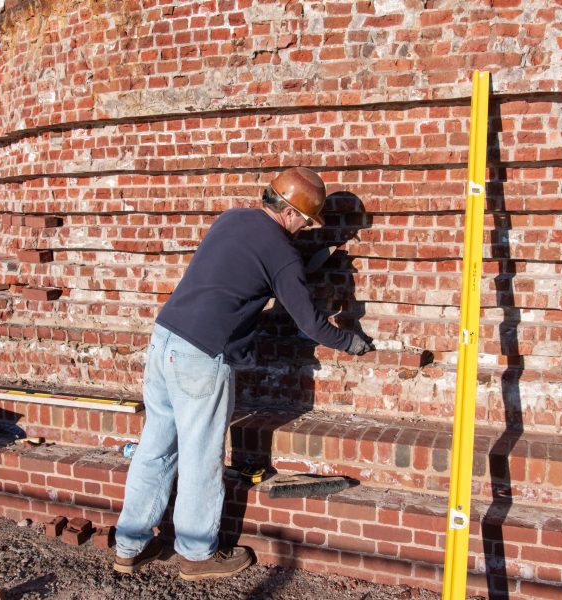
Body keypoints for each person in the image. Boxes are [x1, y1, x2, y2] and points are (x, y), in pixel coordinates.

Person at [113, 167, 374, 580]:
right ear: (290, 212)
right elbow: (309, 322)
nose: (307, 229)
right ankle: (197, 554)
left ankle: (130, 545)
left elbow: (240, 272)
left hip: (165, 339)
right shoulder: (283, 254)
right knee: (201, 456)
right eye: (307, 221)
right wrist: (350, 342)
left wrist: (292, 270)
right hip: (202, 355)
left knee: (156, 447)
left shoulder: (232, 218)